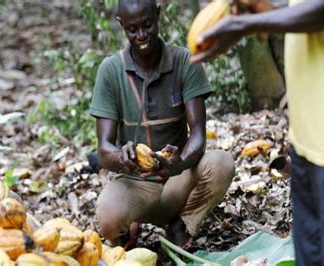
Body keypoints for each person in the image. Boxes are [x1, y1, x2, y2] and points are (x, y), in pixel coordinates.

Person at [190, 0, 324, 265]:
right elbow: (313, 16)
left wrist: (243, 25)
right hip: (309, 134)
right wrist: (266, 14)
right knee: (313, 255)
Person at [89, 0, 235, 249]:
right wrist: (120, 156)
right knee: (107, 217)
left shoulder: (184, 61)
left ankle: (182, 224)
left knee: (221, 164)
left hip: (177, 178)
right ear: (121, 26)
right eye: (132, 30)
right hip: (136, 184)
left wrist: (181, 162)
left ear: (158, 15)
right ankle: (126, 235)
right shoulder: (111, 70)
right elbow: (104, 149)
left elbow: (198, 134)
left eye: (147, 25)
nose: (142, 35)